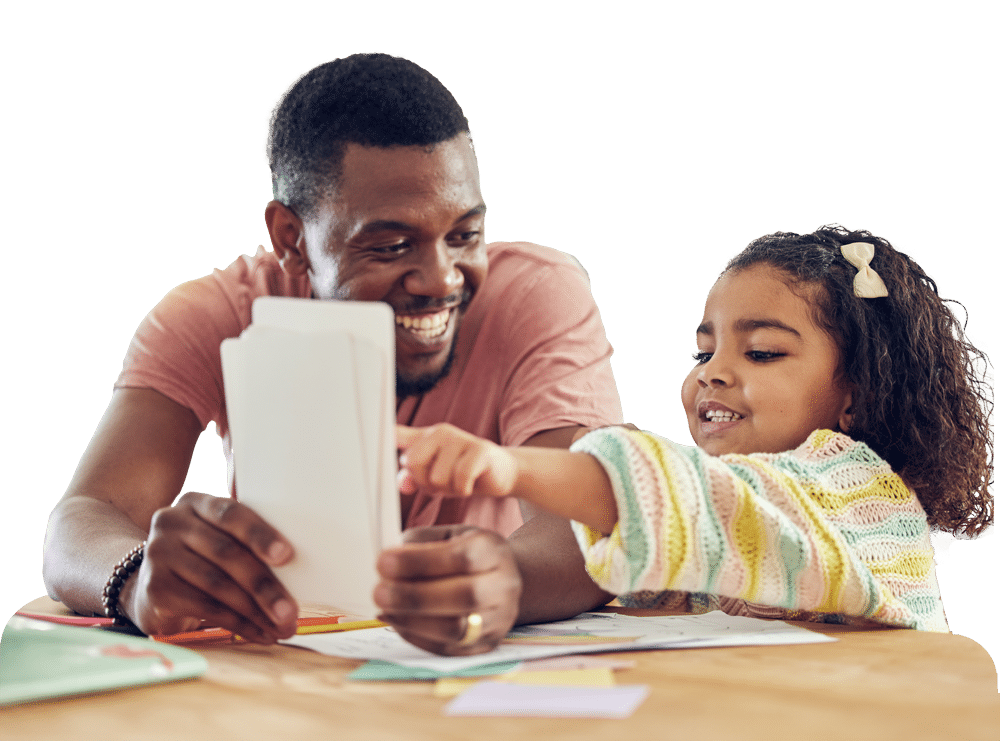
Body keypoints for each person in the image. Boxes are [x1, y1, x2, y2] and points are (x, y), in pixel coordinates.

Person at [42, 52, 624, 655]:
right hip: (292, 668)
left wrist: (509, 578)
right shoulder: (215, 316)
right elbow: (84, 517)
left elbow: (590, 518)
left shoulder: (534, 294)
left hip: (475, 667)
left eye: (464, 235)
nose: (441, 278)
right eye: (393, 245)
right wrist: (137, 577)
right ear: (292, 239)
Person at [396, 224, 995, 632]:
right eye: (702, 354)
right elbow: (654, 560)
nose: (713, 374)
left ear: (854, 399)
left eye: (761, 353)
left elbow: (706, 506)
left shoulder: (860, 491)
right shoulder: (710, 508)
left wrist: (509, 466)